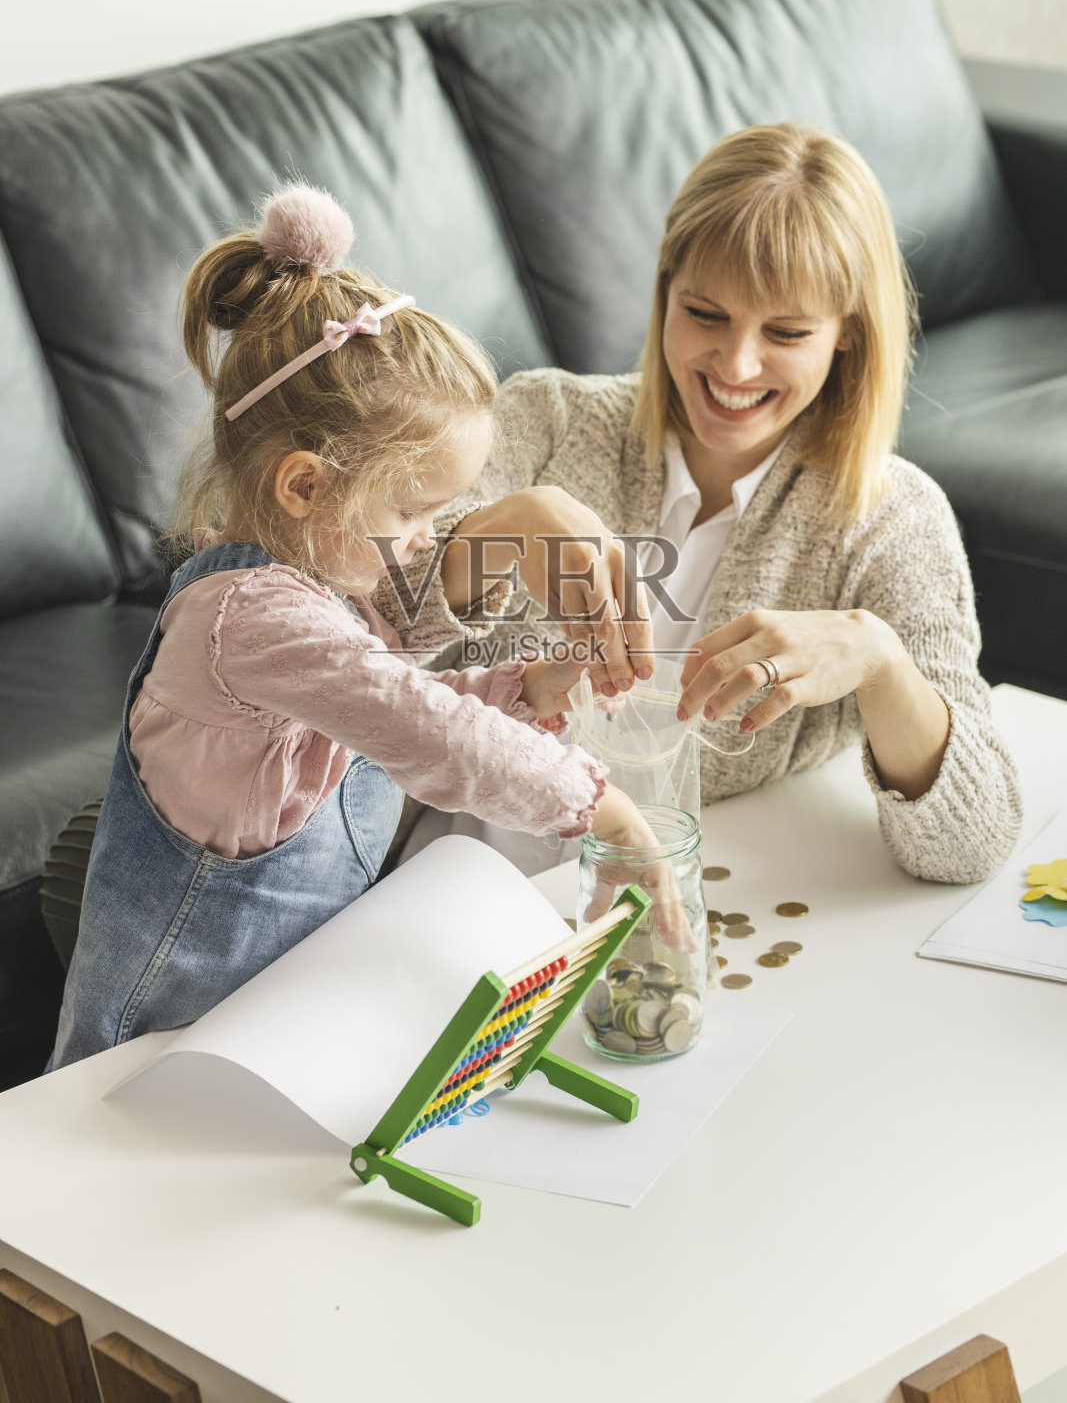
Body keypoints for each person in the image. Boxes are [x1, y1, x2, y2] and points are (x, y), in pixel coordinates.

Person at [51, 184, 681, 1070]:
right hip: (162, 1050)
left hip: (272, 1026)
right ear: (304, 487)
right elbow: (431, 736)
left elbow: (386, 708)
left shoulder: (312, 593)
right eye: (415, 509)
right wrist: (606, 812)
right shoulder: (252, 620)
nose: (429, 535)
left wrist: (517, 688)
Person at [378, 123, 1021, 885]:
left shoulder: (889, 521)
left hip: (668, 893)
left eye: (785, 331)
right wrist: (489, 533)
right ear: (663, 293)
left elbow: (970, 843)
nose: (735, 364)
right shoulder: (545, 421)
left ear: (848, 334)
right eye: (705, 314)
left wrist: (881, 662)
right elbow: (338, 627)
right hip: (435, 874)